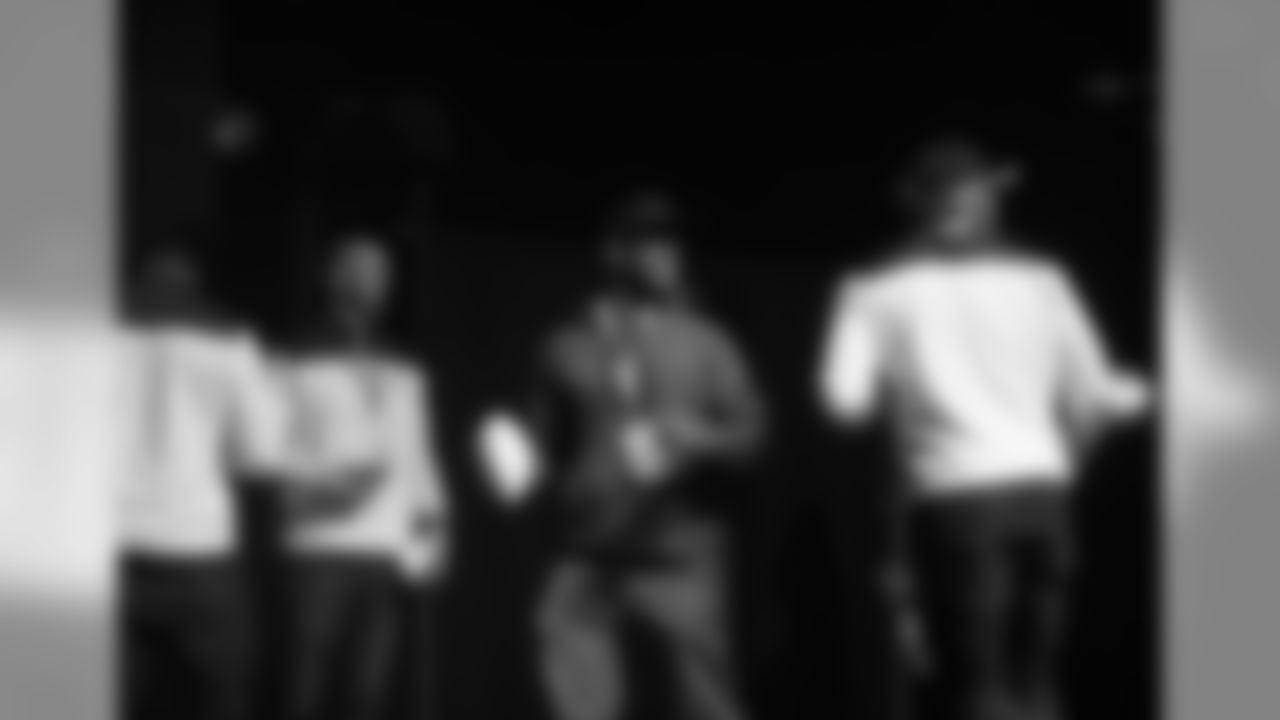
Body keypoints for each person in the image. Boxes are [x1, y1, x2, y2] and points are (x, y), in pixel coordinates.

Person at [815, 140, 1152, 720]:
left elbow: (843, 404)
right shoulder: (1043, 278)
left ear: (917, 203)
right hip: (1042, 492)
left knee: (976, 690)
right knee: (1039, 686)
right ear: (988, 198)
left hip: (955, 497)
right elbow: (1097, 394)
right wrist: (1133, 396)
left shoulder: (873, 288)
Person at [478, 188, 767, 720]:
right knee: (564, 646)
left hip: (680, 557)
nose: (670, 252)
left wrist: (699, 438)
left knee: (709, 705)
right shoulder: (565, 345)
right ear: (615, 252)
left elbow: (752, 433)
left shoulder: (708, 342)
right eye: (653, 240)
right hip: (595, 551)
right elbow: (543, 445)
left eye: (674, 240)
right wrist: (514, 458)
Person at [119, 239, 377, 720]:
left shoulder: (88, 327)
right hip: (197, 550)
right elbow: (259, 455)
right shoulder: (229, 338)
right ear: (198, 277)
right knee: (221, 697)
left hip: (112, 549)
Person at [275, 232, 450, 720]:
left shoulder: (404, 366)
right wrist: (325, 487)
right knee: (303, 694)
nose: (377, 280)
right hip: (318, 547)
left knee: (368, 696)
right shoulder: (294, 355)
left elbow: (419, 453)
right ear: (333, 276)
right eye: (364, 267)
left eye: (384, 271)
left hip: (384, 549)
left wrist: (432, 529)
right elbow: (270, 450)